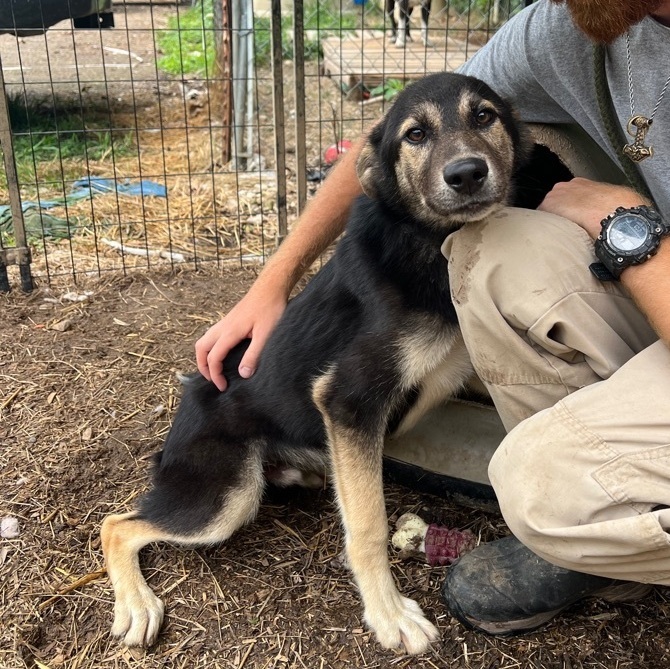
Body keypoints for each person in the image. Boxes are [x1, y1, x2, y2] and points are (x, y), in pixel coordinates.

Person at [196, 0, 670, 635]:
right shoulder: (573, 25)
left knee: (536, 486)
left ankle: (592, 516)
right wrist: (273, 281)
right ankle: (596, 503)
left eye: (483, 123)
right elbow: (402, 130)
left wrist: (630, 231)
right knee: (497, 248)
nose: (461, 155)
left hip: (652, 259)